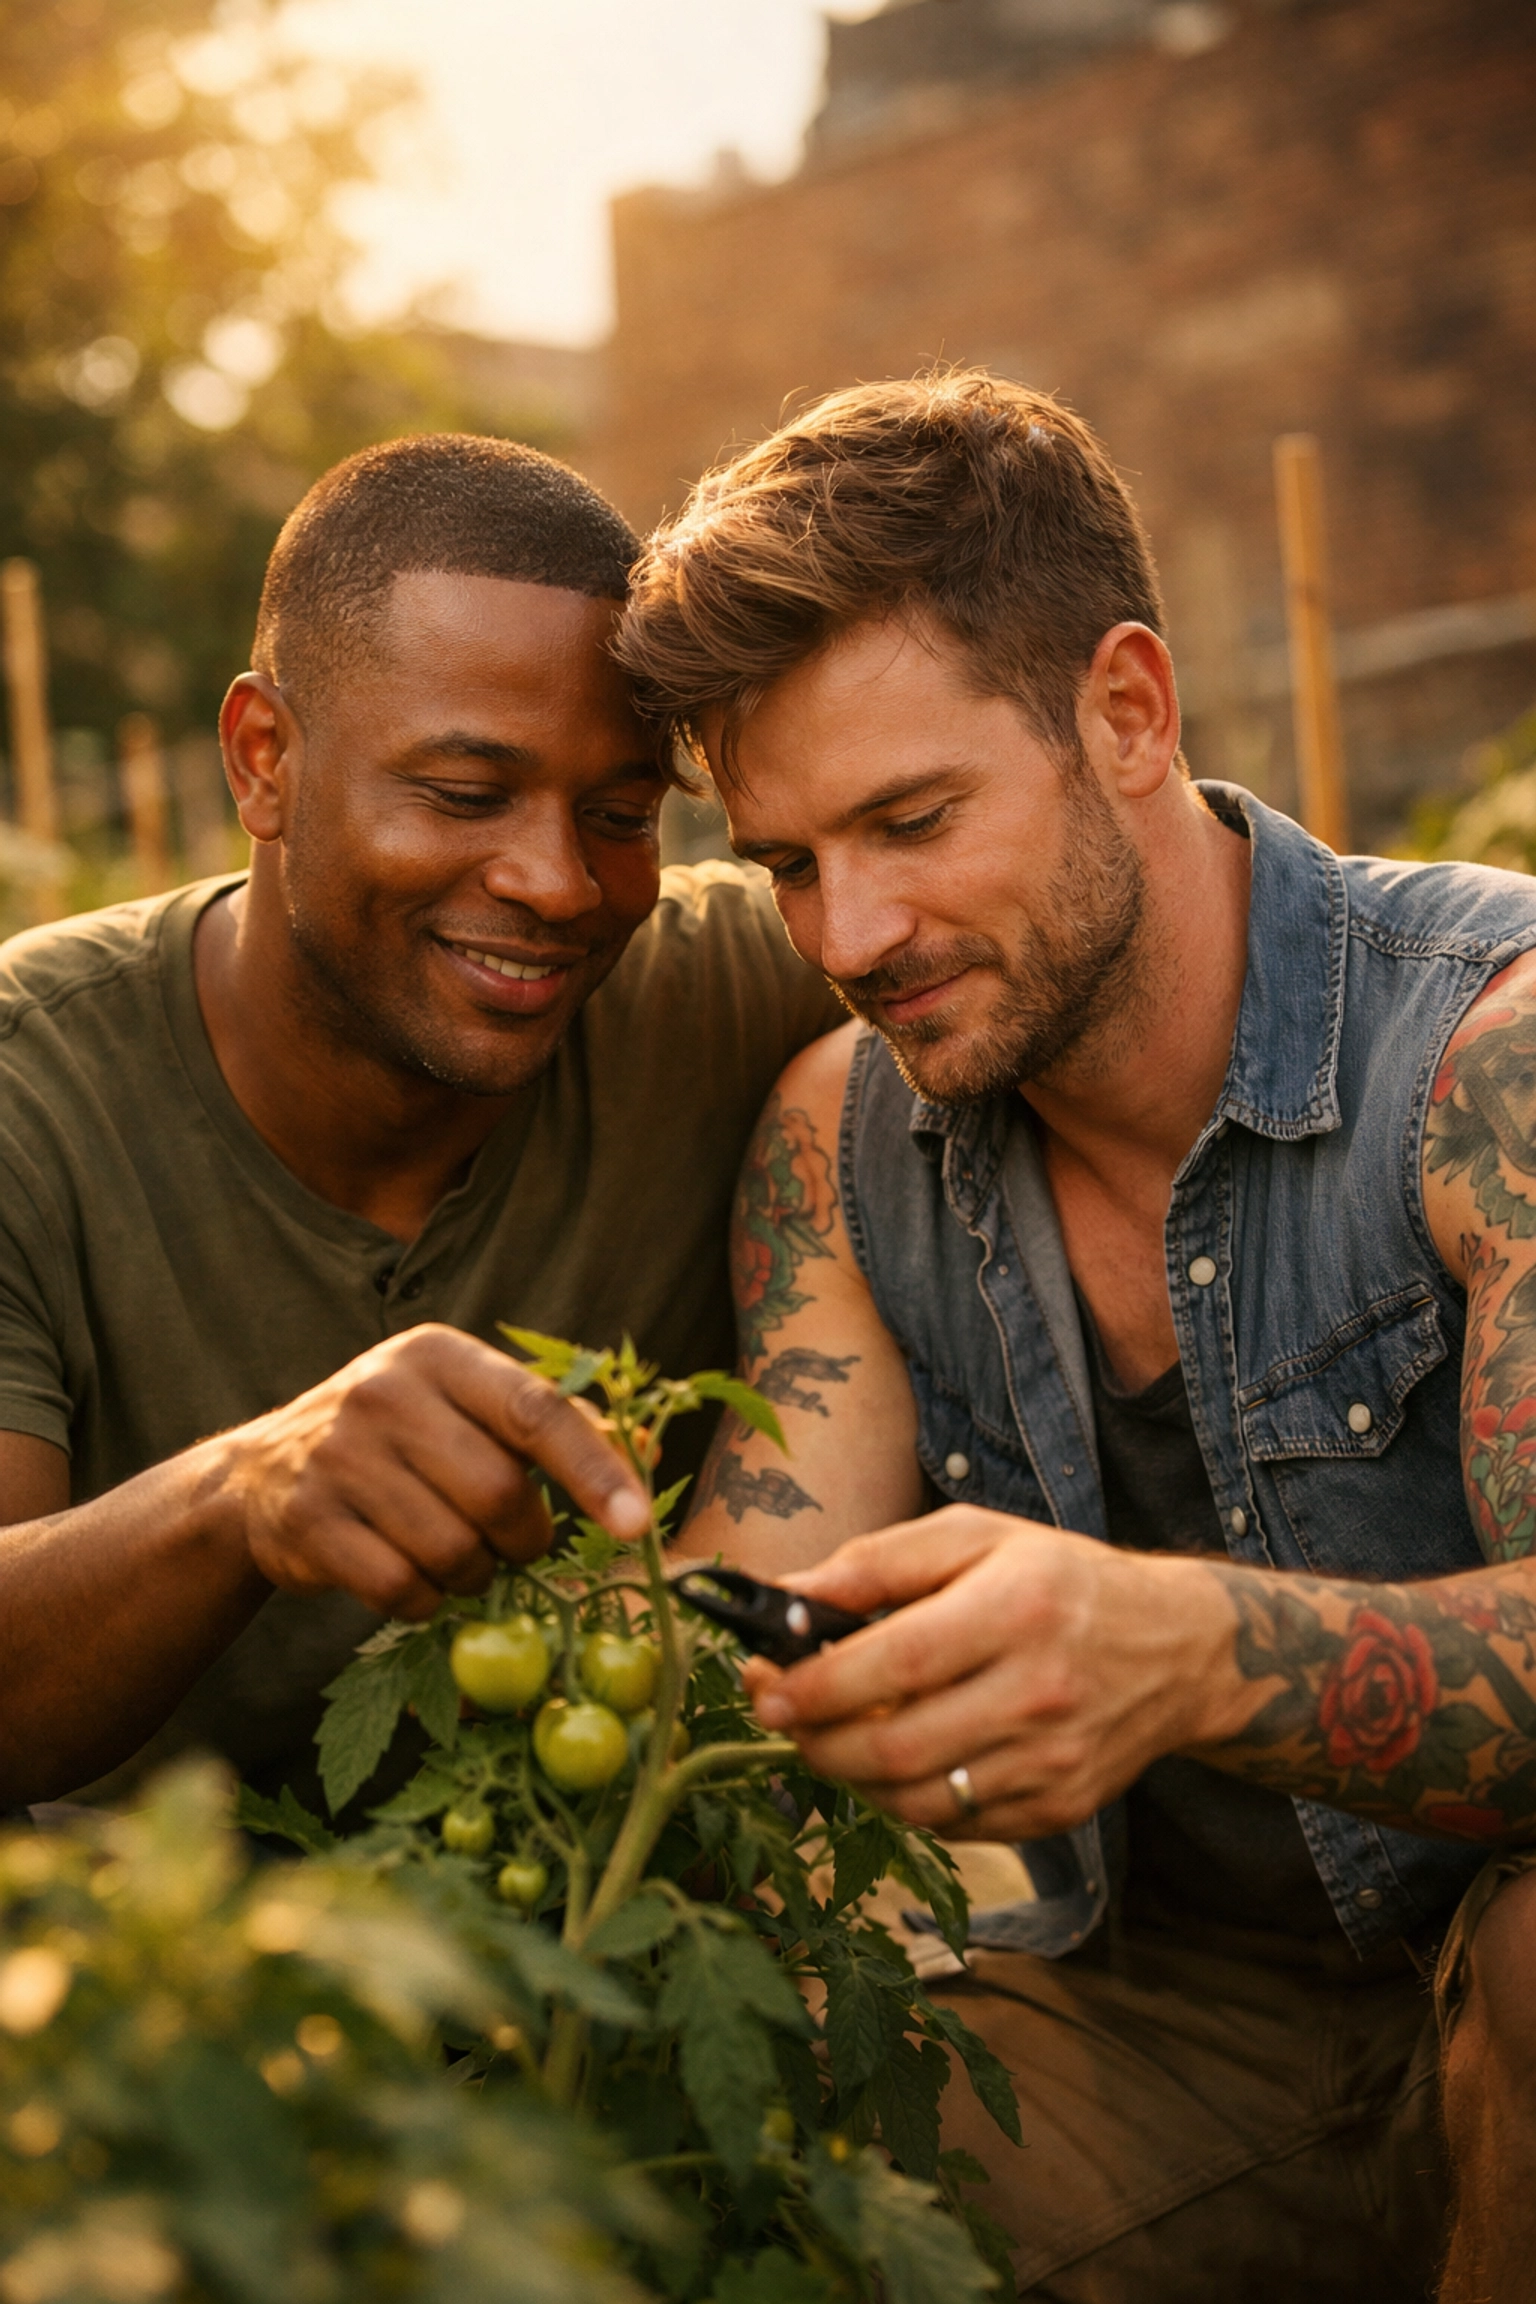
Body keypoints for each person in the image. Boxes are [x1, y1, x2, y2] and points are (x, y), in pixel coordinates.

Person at [616, 371, 1536, 2303]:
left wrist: (1183, 1650)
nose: (852, 931)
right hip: (1183, 2019)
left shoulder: (1488, 1059)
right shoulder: (845, 1139)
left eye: (911, 819)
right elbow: (730, 1644)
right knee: (707, 2167)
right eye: (787, 863)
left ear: (1126, 709)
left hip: (1500, 1970)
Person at [0, 432, 841, 1816]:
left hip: (595, 1975)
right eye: (464, 796)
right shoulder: (38, 1099)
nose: (559, 884)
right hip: (181, 1979)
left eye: (623, 815)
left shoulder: (714, 991)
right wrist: (238, 1499)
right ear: (263, 758)